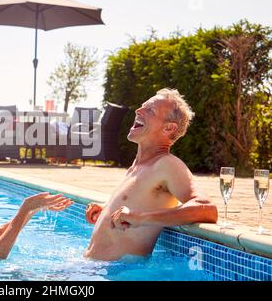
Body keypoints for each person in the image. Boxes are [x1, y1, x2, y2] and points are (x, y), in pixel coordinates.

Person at [84, 88, 218, 261]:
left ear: (168, 128)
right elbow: (139, 202)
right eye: (142, 107)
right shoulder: (138, 165)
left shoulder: (167, 164)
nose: (138, 111)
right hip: (96, 269)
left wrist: (141, 218)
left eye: (150, 110)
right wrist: (106, 210)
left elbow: (207, 209)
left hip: (120, 273)